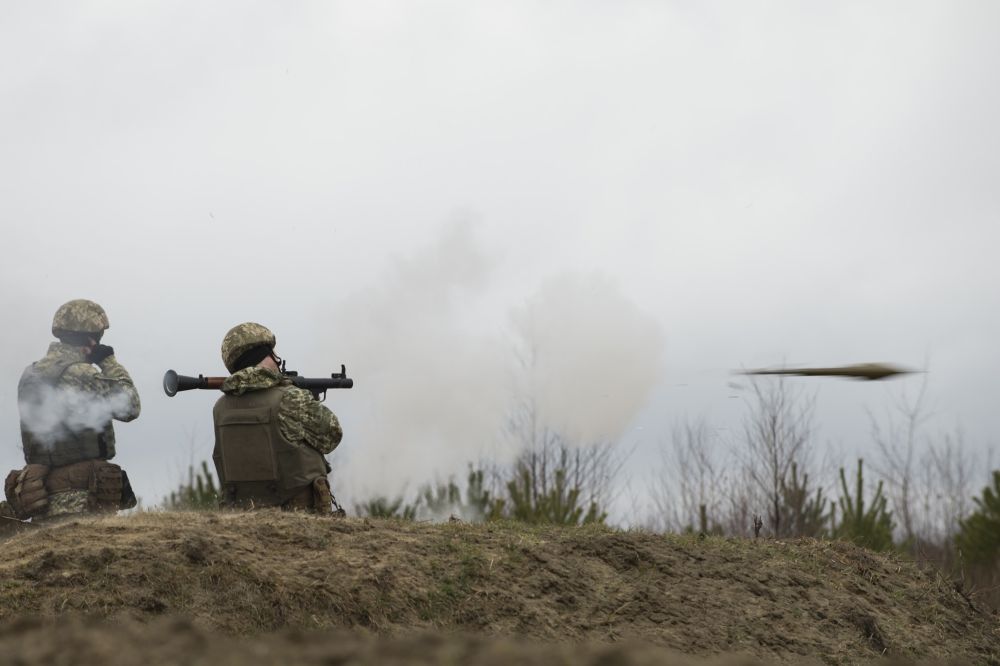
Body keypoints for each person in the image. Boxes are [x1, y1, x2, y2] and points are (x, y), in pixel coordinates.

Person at [6, 299, 140, 520]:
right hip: (83, 497)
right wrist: (108, 361)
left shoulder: (31, 373)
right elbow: (130, 407)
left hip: (43, 497)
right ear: (91, 338)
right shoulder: (81, 373)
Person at [212, 322, 343, 513]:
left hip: (240, 513)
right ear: (262, 358)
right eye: (273, 355)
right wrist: (304, 399)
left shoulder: (220, 407)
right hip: (299, 514)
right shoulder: (289, 398)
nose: (277, 361)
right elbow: (332, 436)